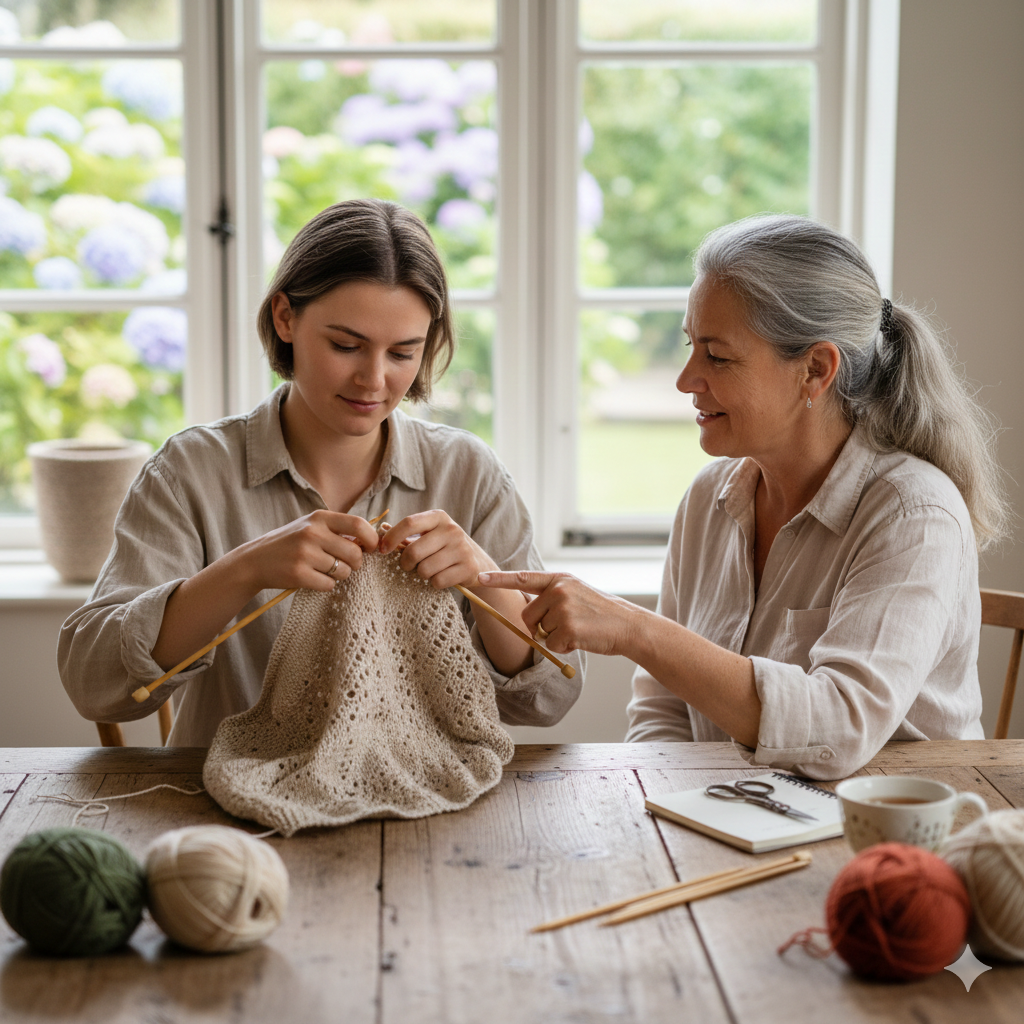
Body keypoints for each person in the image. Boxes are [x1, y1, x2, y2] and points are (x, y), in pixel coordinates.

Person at [479, 213, 1009, 779]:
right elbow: (663, 712)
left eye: (717, 355)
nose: (685, 379)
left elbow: (839, 727)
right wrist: (668, 808)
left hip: (890, 842)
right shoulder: (711, 497)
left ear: (815, 369)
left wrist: (634, 629)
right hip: (741, 818)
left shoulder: (913, 512)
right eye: (691, 346)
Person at [59, 199, 583, 745]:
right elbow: (95, 685)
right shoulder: (191, 472)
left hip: (430, 802)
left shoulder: (467, 472)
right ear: (285, 317)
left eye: (404, 353)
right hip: (227, 809)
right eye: (345, 345)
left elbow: (550, 699)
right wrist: (243, 571)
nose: (374, 380)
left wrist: (484, 578)